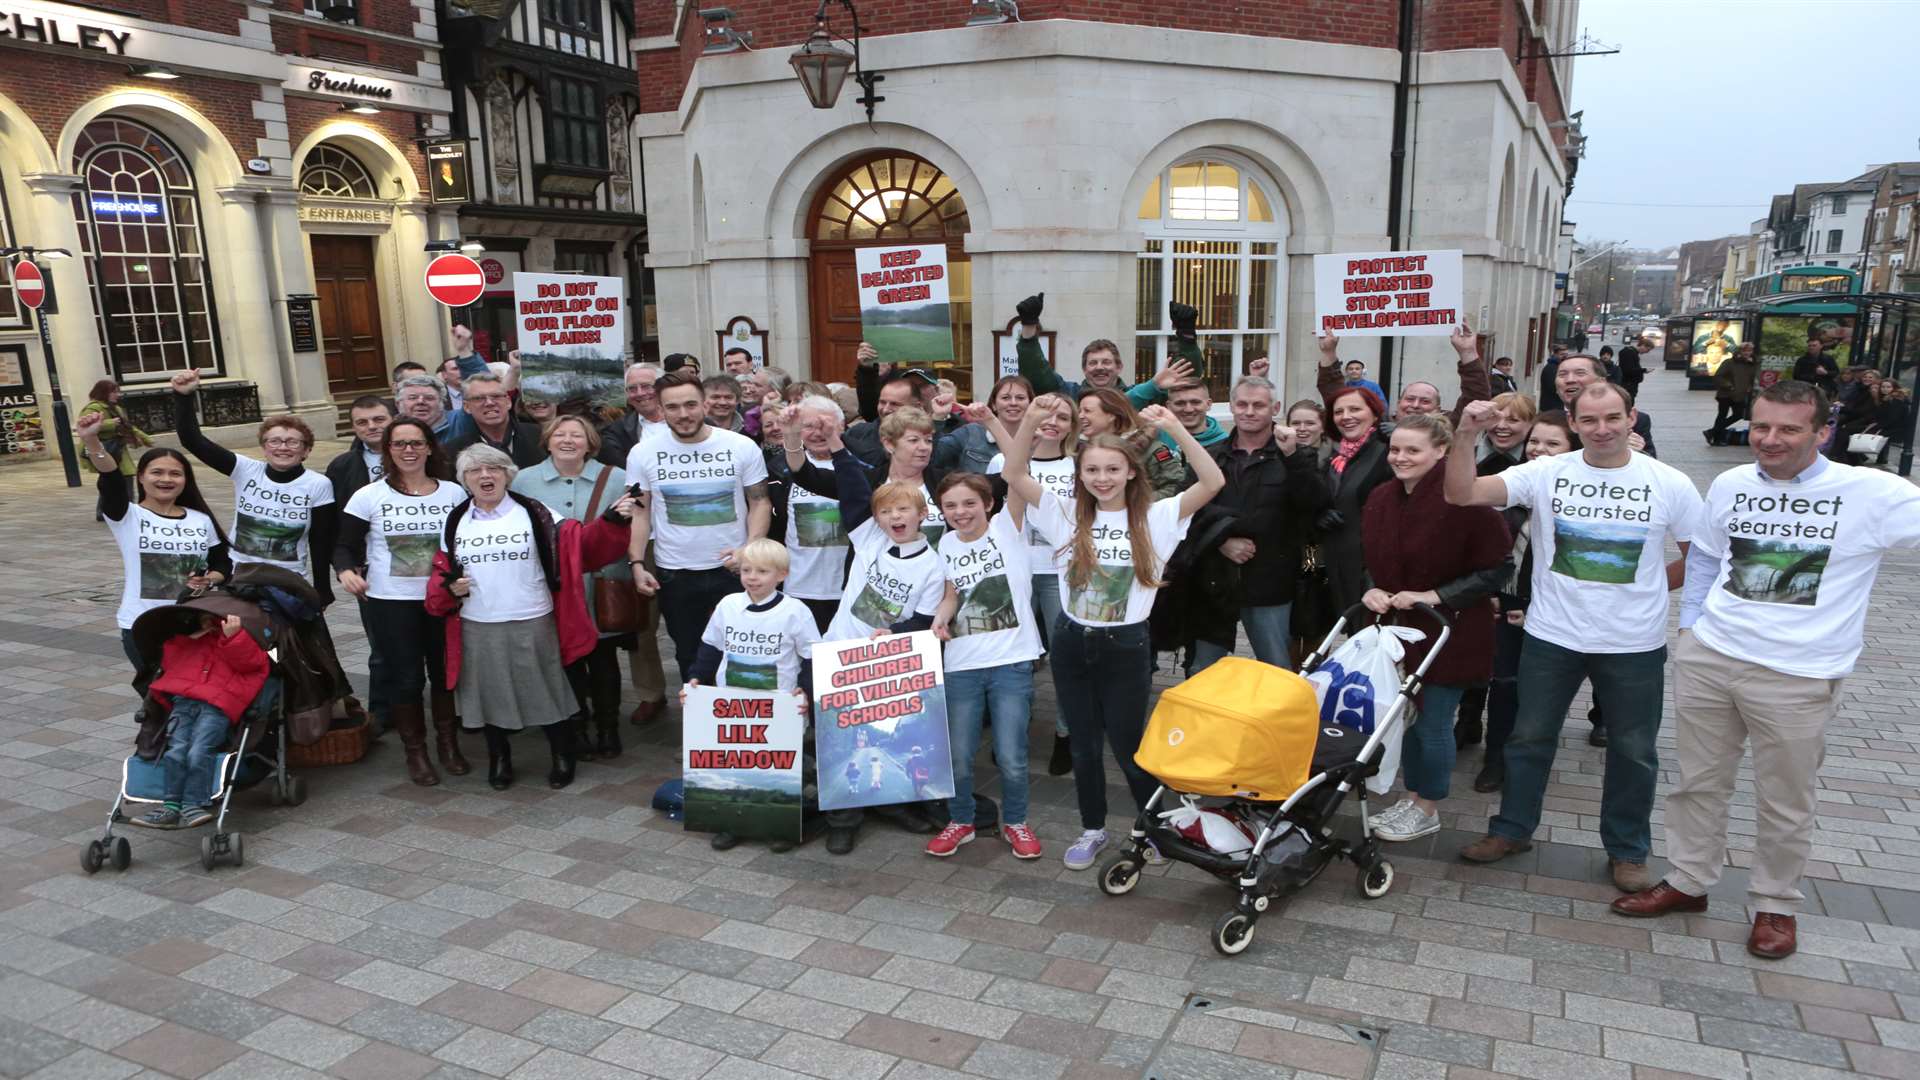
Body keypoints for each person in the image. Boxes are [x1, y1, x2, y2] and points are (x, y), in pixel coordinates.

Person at [1611, 381, 1920, 959]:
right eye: (1760, 427)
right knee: (1697, 783)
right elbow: (1704, 555)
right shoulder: (1731, 483)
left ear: (1823, 432)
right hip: (1713, 658)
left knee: (1785, 799)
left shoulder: (1873, 492)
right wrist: (1693, 630)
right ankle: (1688, 880)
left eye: (1788, 429)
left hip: (1799, 674)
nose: (1770, 440)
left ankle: (1774, 904)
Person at [1446, 386, 1703, 891]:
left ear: (1632, 418)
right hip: (1552, 637)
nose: (1602, 428)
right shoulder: (1546, 473)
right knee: (1528, 739)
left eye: (1613, 418)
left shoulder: (1669, 482)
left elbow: (1704, 558)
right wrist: (1464, 433)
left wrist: (1652, 587)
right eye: (1589, 419)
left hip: (1633, 643)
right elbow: (1461, 493)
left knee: (1633, 750)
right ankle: (1512, 830)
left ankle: (1628, 851)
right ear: (1572, 421)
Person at [999, 399, 1225, 871]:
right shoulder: (1063, 513)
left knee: (1129, 746)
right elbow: (1016, 473)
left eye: (1112, 469)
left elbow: (1213, 482)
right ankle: (1092, 828)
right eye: (1093, 470)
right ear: (1080, 475)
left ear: (1130, 473)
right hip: (1071, 641)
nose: (1102, 478)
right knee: (1083, 743)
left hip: (1126, 646)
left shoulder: (1158, 518)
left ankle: (1153, 829)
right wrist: (1032, 425)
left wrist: (1176, 430)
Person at [428, 445, 632, 790]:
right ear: (464, 480)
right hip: (478, 623)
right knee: (490, 695)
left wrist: (611, 521)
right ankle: (500, 758)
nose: (485, 476)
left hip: (533, 617)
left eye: (493, 468)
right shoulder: (455, 521)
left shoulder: (535, 514)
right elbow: (441, 572)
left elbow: (579, 546)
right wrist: (449, 590)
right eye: (475, 471)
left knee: (548, 691)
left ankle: (562, 754)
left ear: (508, 474)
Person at [1360, 413, 1510, 841]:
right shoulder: (1382, 497)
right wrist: (1371, 589)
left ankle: (1429, 805)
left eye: (1413, 450)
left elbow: (1499, 567)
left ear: (1441, 451)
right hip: (1396, 628)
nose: (1400, 458)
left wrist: (1436, 596)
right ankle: (1411, 796)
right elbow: (1370, 558)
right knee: (1404, 718)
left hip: (1452, 630)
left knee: (1433, 720)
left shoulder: (1467, 500)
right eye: (1395, 450)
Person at [333, 418, 467, 787]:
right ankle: (415, 751)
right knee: (405, 678)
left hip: (442, 600)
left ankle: (448, 744)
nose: (408, 450)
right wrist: (345, 571)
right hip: (390, 602)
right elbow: (343, 544)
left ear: (429, 447)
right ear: (388, 450)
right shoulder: (369, 495)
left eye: (416, 443)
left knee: (444, 675)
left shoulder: (454, 494)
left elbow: (466, 544)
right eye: (400, 444)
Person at [925, 468, 1044, 860]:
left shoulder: (1007, 529)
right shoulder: (945, 544)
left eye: (969, 503)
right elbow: (950, 595)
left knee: (1011, 755)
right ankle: (961, 820)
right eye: (950, 506)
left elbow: (1016, 468)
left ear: (989, 504)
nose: (960, 512)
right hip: (961, 665)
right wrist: (941, 616)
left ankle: (1015, 823)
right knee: (958, 754)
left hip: (1012, 663)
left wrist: (1009, 420)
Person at [626, 371, 770, 688]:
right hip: (675, 572)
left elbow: (759, 502)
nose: (683, 414)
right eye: (673, 407)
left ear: (704, 404)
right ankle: (701, 727)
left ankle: (746, 724)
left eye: (691, 404)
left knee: (745, 650)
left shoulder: (741, 446)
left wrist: (750, 548)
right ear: (660, 411)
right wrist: (636, 562)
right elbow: (640, 511)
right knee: (689, 654)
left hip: (734, 568)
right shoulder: (642, 453)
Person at [1182, 376, 1327, 672]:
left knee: (1276, 670)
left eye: (1258, 405)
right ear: (1231, 407)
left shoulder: (1298, 455)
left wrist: (1292, 457)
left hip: (1271, 581)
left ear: (1274, 408)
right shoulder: (1211, 456)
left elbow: (1314, 506)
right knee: (1202, 671)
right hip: (1216, 580)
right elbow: (1185, 510)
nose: (1249, 411)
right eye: (1242, 404)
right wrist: (1220, 540)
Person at [511, 416, 635, 759]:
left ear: (589, 442)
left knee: (604, 659)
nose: (568, 441)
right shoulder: (524, 480)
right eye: (560, 435)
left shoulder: (617, 478)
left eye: (576, 435)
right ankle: (576, 725)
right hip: (555, 586)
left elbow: (635, 525)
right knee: (566, 659)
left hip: (603, 582)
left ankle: (608, 727)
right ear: (547, 441)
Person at [1472, 410, 1578, 793]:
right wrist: (1494, 595)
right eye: (1535, 441)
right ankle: (1496, 758)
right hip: (1507, 600)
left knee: (1540, 692)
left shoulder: (1577, 494)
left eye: (1553, 444)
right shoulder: (1512, 485)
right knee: (1504, 684)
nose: (1539, 450)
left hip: (1555, 609)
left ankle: (1529, 762)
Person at [77, 412, 229, 673]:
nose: (166, 480)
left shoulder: (200, 519)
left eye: (175, 474)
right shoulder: (128, 515)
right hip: (142, 624)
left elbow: (222, 562)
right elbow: (111, 480)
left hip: (194, 621)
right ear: (140, 477)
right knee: (157, 699)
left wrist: (211, 579)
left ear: (186, 480)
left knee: (193, 696)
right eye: (157, 472)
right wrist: (91, 441)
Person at [167, 370, 335, 594]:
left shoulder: (318, 484)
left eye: (293, 442)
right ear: (264, 448)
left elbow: (320, 542)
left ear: (306, 451)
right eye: (274, 441)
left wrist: (322, 589)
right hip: (239, 576)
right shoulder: (246, 470)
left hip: (287, 580)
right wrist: (183, 396)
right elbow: (192, 441)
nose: (282, 447)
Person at [987, 394, 1079, 776]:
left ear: (1073, 425)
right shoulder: (1005, 462)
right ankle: (1011, 733)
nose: (1053, 421)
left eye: (1063, 416)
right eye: (1045, 413)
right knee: (1014, 658)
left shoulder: (1079, 466)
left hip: (1062, 573)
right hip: (1016, 571)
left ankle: (1065, 733)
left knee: (1064, 659)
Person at [1450, 390, 1536, 749]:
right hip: (1471, 575)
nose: (1503, 426)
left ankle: (1500, 751)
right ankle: (1468, 722)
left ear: (1530, 424)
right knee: (1467, 655)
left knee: (1504, 669)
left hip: (1516, 581)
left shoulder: (1538, 464)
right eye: (1497, 418)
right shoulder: (1468, 459)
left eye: (1514, 419)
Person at [134, 613, 269, 830]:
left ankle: (193, 802)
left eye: (212, 619)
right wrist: (193, 635)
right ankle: (171, 805)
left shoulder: (242, 640)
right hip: (183, 701)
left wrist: (233, 637)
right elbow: (170, 660)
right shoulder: (191, 641)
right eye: (204, 619)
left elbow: (251, 664)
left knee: (198, 751)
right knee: (175, 751)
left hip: (216, 705)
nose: (208, 623)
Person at [791, 407, 951, 550]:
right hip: (875, 580)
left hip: (933, 579)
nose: (924, 447)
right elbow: (804, 474)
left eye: (928, 440)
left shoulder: (946, 483)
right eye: (913, 440)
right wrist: (789, 435)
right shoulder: (866, 481)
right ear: (889, 444)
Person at [1011, 293, 1190, 410]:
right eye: (1093, 363)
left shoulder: (1145, 398)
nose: (1099, 367)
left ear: (1119, 367)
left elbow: (1184, 375)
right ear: (1084, 369)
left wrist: (1187, 337)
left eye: (1106, 362)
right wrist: (1029, 327)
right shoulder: (1068, 395)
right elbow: (1037, 373)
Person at [774, 396, 856, 631]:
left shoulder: (861, 466)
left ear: (842, 426)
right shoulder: (780, 470)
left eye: (825, 425)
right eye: (809, 426)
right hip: (799, 587)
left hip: (849, 588)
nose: (817, 433)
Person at [1316, 384, 1393, 615]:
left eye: (1355, 409)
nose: (1346, 417)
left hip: (1373, 570)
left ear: (1375, 413)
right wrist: (1318, 515)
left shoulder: (1387, 452)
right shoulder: (1337, 458)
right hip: (1340, 564)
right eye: (1339, 412)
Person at [1318, 325, 1490, 425]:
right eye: (1410, 399)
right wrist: (1328, 352)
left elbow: (1476, 397)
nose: (1415, 405)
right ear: (1398, 404)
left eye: (1425, 401)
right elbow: (1335, 396)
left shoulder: (1448, 430)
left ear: (1438, 409)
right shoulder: (1375, 429)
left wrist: (1468, 353)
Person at [1079, 387, 1185, 498]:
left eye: (1087, 411)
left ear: (1111, 415)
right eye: (1079, 411)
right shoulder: (1076, 449)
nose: (1080, 416)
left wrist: (1137, 504)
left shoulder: (1153, 449)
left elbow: (1176, 487)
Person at [1553, 354, 1657, 457]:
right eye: (1562, 375)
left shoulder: (1636, 421)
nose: (1570, 380)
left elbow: (1651, 466)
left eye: (1580, 373)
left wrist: (1633, 453)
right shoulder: (1545, 420)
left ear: (1601, 381)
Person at [443, 371, 544, 467]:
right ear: (466, 407)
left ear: (508, 402)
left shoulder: (540, 435)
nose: (489, 403)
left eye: (496, 396)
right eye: (479, 398)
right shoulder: (453, 451)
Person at [946, 376, 1031, 474]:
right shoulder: (970, 434)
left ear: (1030, 404)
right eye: (1005, 398)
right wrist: (939, 418)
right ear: (994, 404)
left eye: (1020, 398)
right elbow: (934, 459)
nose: (1013, 403)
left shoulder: (1038, 440)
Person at [78, 378, 151, 488]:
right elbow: (85, 426)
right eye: (113, 392)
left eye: (117, 392)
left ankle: (119, 503)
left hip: (118, 449)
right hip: (106, 449)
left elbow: (128, 426)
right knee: (117, 481)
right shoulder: (93, 408)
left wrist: (145, 438)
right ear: (103, 393)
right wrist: (111, 423)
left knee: (120, 479)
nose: (117, 395)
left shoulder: (116, 408)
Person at [598, 363, 668, 468]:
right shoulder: (615, 433)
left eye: (646, 386)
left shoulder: (691, 422)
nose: (640, 393)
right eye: (632, 388)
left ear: (663, 387)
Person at [397, 374, 477, 444]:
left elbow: (477, 388)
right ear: (399, 404)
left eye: (429, 398)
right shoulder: (392, 430)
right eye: (413, 398)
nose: (421, 402)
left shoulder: (459, 421)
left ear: (441, 403)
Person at [1708, 341, 1758, 446]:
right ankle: (1716, 438)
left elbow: (1752, 378)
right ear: (1740, 351)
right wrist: (1729, 385)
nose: (1747, 353)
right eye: (1745, 350)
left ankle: (1712, 432)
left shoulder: (1751, 364)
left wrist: (1750, 387)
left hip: (1739, 395)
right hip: (1726, 394)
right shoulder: (1729, 362)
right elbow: (1719, 376)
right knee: (1722, 415)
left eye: (1749, 350)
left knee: (1738, 414)